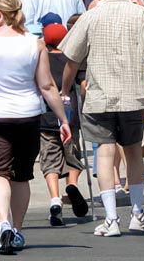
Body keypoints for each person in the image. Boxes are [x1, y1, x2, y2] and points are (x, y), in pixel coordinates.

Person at [59, 0, 144, 238]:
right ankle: (137, 213)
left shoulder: (91, 15)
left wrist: (64, 90)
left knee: (105, 154)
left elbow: (71, 58)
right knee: (133, 151)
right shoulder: (142, 14)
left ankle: (111, 219)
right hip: (134, 95)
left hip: (99, 95)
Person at [0, 0, 71, 255]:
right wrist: (62, 119)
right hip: (27, 115)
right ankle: (19, 229)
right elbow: (47, 85)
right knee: (22, 175)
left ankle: (3, 224)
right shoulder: (34, 43)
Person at [38, 22, 88, 225]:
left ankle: (54, 199)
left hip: (46, 118)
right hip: (71, 116)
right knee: (72, 154)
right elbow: (83, 85)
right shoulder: (72, 58)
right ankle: (73, 184)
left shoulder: (42, 58)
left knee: (49, 159)